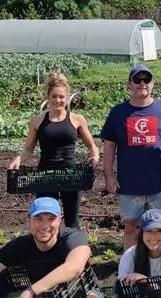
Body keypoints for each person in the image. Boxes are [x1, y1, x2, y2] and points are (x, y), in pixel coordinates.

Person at [101, 65, 161, 249]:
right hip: (130, 183)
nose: (142, 84)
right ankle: (130, 266)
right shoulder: (118, 112)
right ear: (130, 84)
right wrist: (109, 175)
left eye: (146, 80)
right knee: (131, 227)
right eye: (137, 80)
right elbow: (109, 145)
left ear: (153, 83)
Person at [9, 72, 99, 229]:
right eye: (54, 97)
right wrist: (18, 159)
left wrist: (95, 156)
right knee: (47, 219)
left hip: (70, 175)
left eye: (61, 97)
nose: (58, 100)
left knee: (71, 220)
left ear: (67, 98)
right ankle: (50, 250)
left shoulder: (77, 119)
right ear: (48, 98)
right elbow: (28, 149)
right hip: (45, 175)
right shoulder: (37, 122)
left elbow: (92, 146)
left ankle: (72, 250)